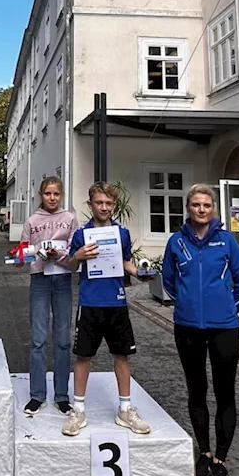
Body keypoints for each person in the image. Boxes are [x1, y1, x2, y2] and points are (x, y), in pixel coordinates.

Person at [161, 184, 239, 476]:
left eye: (206, 205)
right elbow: (169, 281)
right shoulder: (176, 242)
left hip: (224, 328)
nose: (201, 209)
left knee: (225, 393)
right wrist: (186, 305)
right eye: (196, 204)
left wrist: (227, 310)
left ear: (213, 208)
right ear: (188, 208)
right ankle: (204, 453)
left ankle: (221, 461)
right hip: (187, 328)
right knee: (196, 390)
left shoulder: (227, 241)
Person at [62, 182, 151, 437]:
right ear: (90, 204)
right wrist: (77, 255)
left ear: (114, 205)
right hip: (90, 302)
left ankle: (125, 408)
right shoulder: (81, 234)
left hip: (116, 301)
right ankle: (78, 409)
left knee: (121, 355)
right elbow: (69, 266)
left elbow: (124, 262)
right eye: (99, 203)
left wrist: (141, 273)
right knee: (83, 356)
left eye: (108, 203)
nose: (104, 207)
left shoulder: (121, 233)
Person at [18, 176, 78, 416]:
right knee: (38, 339)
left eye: (56, 194)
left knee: (63, 340)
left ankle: (62, 395)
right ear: (41, 195)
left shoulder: (70, 219)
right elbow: (23, 250)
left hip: (63, 280)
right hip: (40, 281)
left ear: (61, 195)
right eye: (47, 194)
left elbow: (76, 251)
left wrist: (60, 254)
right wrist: (20, 257)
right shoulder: (32, 221)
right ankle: (37, 394)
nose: (52, 198)